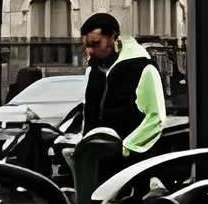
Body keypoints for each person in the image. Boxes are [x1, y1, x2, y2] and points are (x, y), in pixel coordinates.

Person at [71, 11, 168, 155]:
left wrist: (126, 147)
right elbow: (89, 112)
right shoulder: (95, 70)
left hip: (131, 161)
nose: (89, 51)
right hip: (98, 159)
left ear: (114, 38)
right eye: (86, 46)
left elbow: (156, 118)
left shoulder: (143, 68)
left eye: (96, 43)